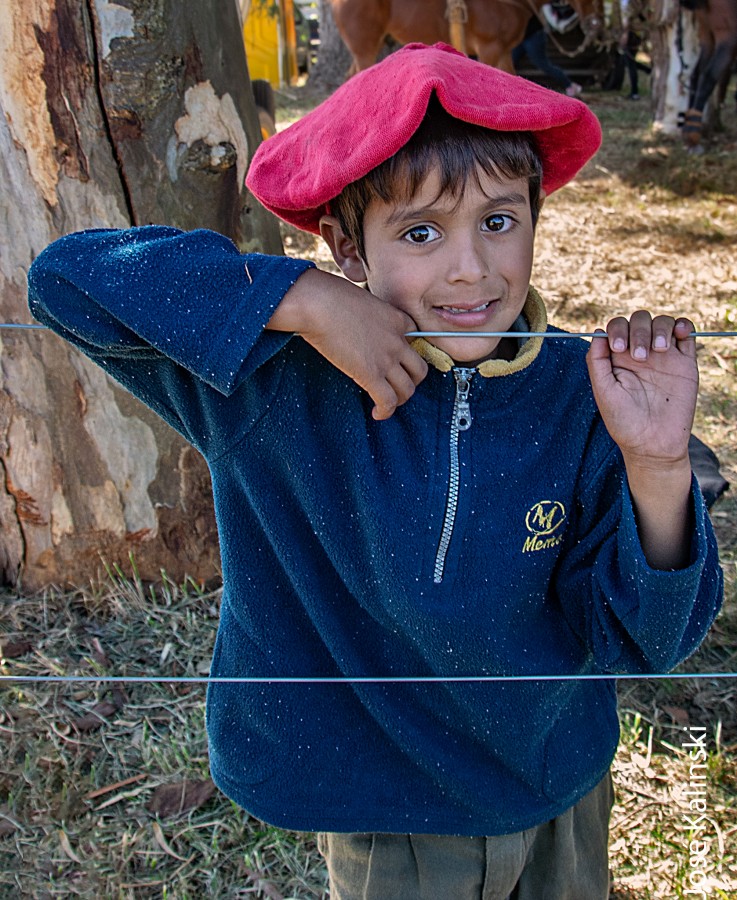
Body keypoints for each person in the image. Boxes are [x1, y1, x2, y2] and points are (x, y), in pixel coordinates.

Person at [28, 43, 722, 900]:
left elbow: (644, 641)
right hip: (389, 815)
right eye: (420, 232)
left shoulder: (581, 398)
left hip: (554, 793)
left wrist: (655, 465)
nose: (469, 267)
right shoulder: (272, 385)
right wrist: (303, 301)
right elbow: (64, 280)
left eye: (498, 222)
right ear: (346, 248)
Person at [513, 4, 583, 97]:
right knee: (511, 61)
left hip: (534, 36)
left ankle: (570, 85)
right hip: (522, 37)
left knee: (544, 65)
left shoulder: (530, 3)